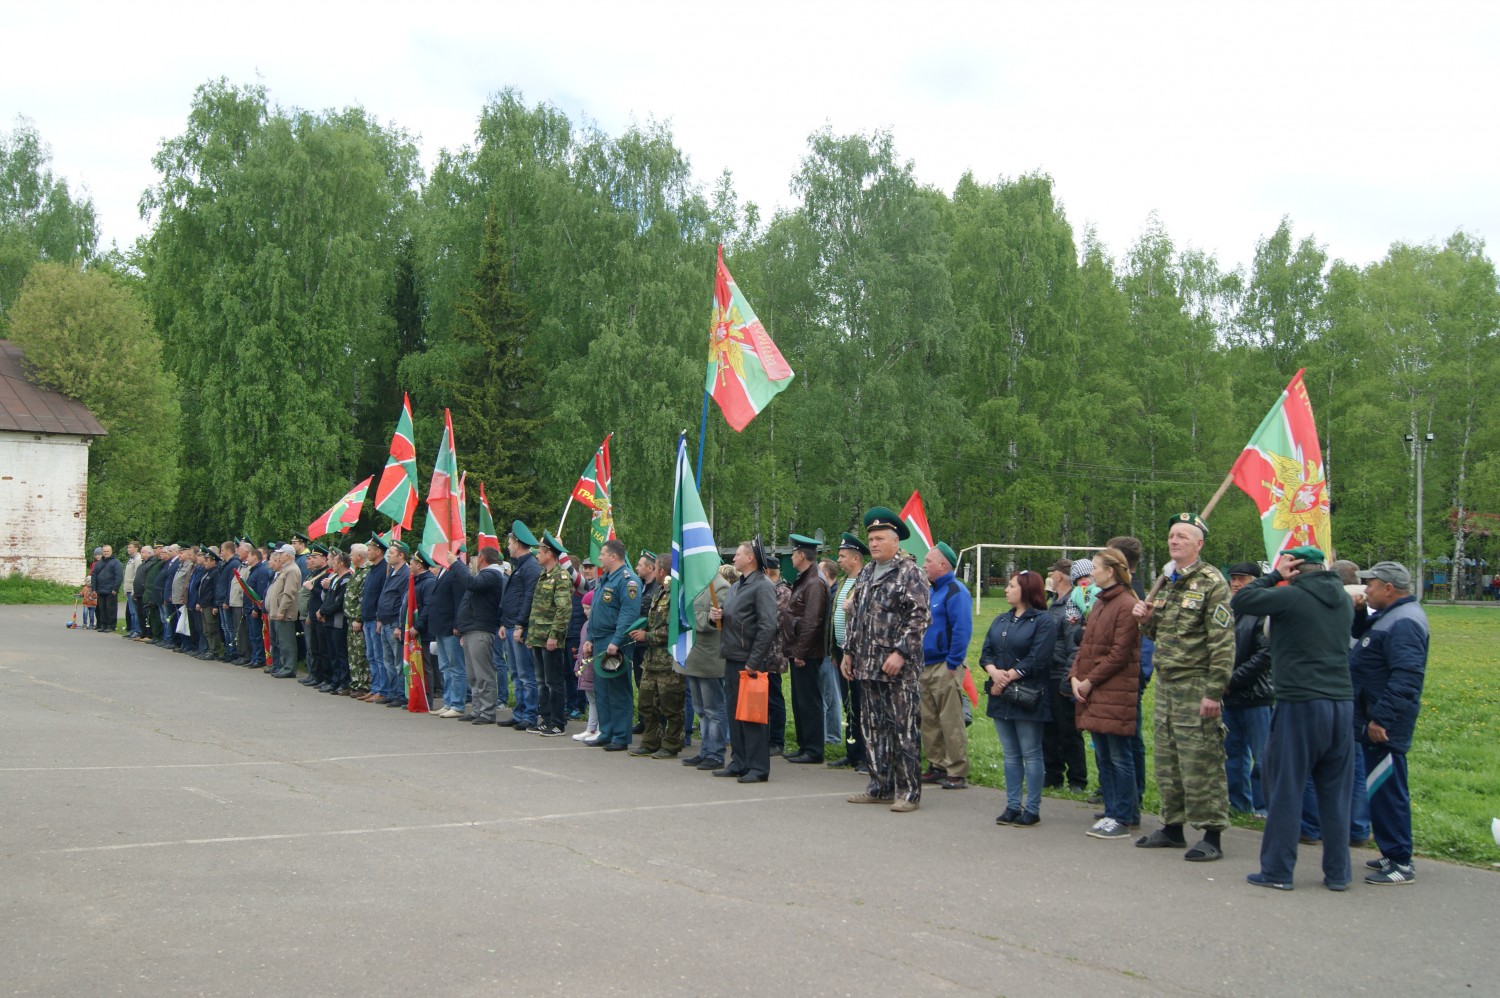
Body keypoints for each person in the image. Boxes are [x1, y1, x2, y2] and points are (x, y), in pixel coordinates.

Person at [1231, 546, 1356, 892]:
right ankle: (1338, 873)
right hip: (1341, 701)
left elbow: (1242, 602)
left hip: (1300, 701)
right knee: (1335, 792)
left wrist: (1274, 576)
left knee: (1285, 786)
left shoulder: (1293, 597)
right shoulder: (1343, 600)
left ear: (1295, 569)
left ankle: (1277, 871)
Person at [1132, 513, 1233, 862]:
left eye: (1183, 537)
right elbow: (1160, 632)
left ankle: (1212, 832)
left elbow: (1222, 643)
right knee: (1168, 758)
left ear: (1199, 544)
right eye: (1172, 535)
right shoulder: (1168, 580)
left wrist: (1213, 691)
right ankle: (1172, 826)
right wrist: (1147, 619)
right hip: (1167, 682)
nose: (1175, 541)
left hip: (1196, 683)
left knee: (1201, 758)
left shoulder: (1211, 582)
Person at [842, 507, 932, 813]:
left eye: (880, 538)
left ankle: (908, 793)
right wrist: (848, 652)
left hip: (897, 668)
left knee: (904, 730)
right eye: (871, 538)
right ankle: (879, 785)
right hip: (867, 664)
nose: (874, 543)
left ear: (895, 541)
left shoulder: (910, 573)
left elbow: (919, 618)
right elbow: (857, 616)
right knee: (873, 727)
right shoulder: (867, 572)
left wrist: (901, 653)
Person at [1351, 560, 1429, 886]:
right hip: (1374, 716)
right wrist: (1358, 614)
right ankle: (1390, 849)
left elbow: (1407, 677)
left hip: (1384, 722)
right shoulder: (1389, 616)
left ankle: (1400, 861)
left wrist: (1381, 718)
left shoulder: (1405, 622)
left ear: (1388, 588)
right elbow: (1363, 641)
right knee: (1379, 788)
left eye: (1370, 583)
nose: (1365, 589)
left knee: (1388, 789)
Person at [1071, 547, 1141, 838]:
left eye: (1096, 567)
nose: (1092, 573)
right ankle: (1112, 810)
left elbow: (1119, 654)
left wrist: (1088, 681)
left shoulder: (1126, 605)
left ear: (1110, 571)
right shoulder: (1099, 603)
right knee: (1103, 755)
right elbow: (1086, 645)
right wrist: (1074, 676)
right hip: (1092, 690)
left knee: (1119, 756)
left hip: (1113, 690)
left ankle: (1123, 816)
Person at [981, 570, 1057, 827]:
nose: (1006, 589)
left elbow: (1038, 658)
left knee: (1031, 752)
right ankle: (1013, 805)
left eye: (1011, 586)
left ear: (1025, 589)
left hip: (1027, 695)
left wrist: (1007, 677)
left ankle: (1032, 808)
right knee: (1011, 753)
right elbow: (986, 652)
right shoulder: (1002, 620)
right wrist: (993, 671)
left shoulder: (1043, 621)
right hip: (1001, 696)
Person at [710, 538, 777, 781]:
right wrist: (716, 616)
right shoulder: (739, 585)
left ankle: (758, 767)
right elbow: (733, 619)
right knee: (735, 714)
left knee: (752, 715)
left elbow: (768, 627)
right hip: (732, 657)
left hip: (749, 660)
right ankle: (739, 761)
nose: (733, 559)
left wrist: (753, 661)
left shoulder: (762, 586)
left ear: (751, 558)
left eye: (738, 555)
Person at [918, 541, 974, 790]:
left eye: (928, 561)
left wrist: (953, 663)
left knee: (950, 719)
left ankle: (957, 770)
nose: (924, 565)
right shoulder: (932, 591)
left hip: (945, 665)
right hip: (926, 664)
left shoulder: (955, 591)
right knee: (928, 719)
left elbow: (962, 629)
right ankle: (937, 765)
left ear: (943, 564)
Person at [1223, 562, 1273, 816]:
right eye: (1233, 578)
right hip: (1228, 697)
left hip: (1257, 695)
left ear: (1256, 581)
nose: (1236, 583)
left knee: (1263, 756)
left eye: (1242, 579)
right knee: (1232, 754)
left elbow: (1265, 655)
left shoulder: (1263, 611)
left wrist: (1232, 680)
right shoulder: (1227, 611)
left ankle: (1263, 806)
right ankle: (1237, 802)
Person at [583, 539, 642, 753]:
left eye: (602, 554)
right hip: (599, 639)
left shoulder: (628, 581)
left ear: (613, 557)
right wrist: (589, 637)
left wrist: (616, 642)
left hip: (614, 641)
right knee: (602, 690)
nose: (599, 558)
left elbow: (628, 615)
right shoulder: (606, 578)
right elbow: (597, 610)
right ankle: (606, 732)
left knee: (617, 690)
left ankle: (620, 735)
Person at [630, 552, 685, 757]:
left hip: (668, 660)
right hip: (651, 659)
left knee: (670, 705)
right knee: (646, 702)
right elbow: (653, 621)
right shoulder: (660, 591)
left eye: (656, 567)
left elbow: (674, 630)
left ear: (661, 571)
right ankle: (650, 741)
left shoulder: (677, 594)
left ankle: (671, 744)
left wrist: (647, 636)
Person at [782, 534, 831, 764]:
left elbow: (812, 621)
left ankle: (813, 749)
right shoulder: (805, 579)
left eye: (794, 553)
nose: (792, 556)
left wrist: (801, 652)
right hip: (799, 650)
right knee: (800, 701)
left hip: (808, 653)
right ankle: (804, 746)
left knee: (809, 701)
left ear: (801, 555)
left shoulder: (814, 582)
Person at [681, 564, 734, 771]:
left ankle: (715, 753)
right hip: (694, 657)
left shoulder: (721, 587)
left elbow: (716, 621)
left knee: (714, 709)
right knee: (701, 709)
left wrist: (697, 619)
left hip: (710, 658)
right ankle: (705, 750)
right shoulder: (696, 584)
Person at [1044, 557, 1089, 793]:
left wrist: (1067, 678)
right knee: (1049, 728)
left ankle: (1077, 779)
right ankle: (1053, 775)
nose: (1050, 576)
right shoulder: (1055, 602)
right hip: (1049, 672)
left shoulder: (1073, 603)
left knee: (1068, 730)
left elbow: (1075, 646)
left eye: (1052, 573)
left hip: (1062, 671)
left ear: (1059, 575)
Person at [827, 533, 869, 772]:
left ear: (855, 558)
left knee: (861, 704)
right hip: (843, 652)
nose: (839, 560)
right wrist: (835, 650)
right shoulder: (844, 582)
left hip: (860, 653)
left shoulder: (864, 581)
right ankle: (852, 752)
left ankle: (865, 755)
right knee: (849, 704)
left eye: (843, 556)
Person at [529, 532, 575, 736]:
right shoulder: (543, 575)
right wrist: (531, 636)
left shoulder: (561, 576)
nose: (537, 555)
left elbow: (563, 609)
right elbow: (537, 608)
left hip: (550, 638)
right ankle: (546, 718)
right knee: (541, 681)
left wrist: (554, 635)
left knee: (553, 682)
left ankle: (557, 722)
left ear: (549, 553)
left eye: (539, 552)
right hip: (538, 636)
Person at [498, 522, 541, 730]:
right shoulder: (520, 566)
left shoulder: (530, 566)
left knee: (525, 674)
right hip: (510, 625)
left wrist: (520, 624)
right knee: (515, 673)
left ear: (517, 543)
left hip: (519, 627)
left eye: (509, 542)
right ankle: (519, 712)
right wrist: (503, 623)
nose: (507, 545)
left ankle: (530, 714)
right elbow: (510, 597)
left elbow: (528, 597)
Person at [458, 548, 507, 724]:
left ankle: (487, 711)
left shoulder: (491, 575)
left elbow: (470, 583)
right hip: (472, 629)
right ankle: (478, 709)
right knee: (473, 674)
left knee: (483, 673)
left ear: (482, 558)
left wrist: (455, 564)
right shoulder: (485, 575)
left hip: (481, 629)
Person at [429, 545, 470, 718]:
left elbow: (459, 600)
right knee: (445, 666)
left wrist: (457, 624)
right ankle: (448, 702)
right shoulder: (443, 571)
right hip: (440, 626)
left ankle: (458, 704)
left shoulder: (456, 572)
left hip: (450, 627)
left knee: (456, 667)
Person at [376, 541, 412, 707]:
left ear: (401, 555)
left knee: (398, 662)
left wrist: (399, 624)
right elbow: (384, 596)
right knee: (387, 660)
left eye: (391, 552)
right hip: (384, 622)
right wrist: (379, 619)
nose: (388, 555)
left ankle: (401, 694)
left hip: (393, 623)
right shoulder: (391, 571)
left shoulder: (405, 574)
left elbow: (404, 602)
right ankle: (393, 691)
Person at [356, 536, 388, 700]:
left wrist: (378, 618)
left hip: (375, 619)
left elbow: (382, 596)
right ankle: (375, 688)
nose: (367, 552)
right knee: (371, 656)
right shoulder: (372, 569)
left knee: (379, 656)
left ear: (378, 551)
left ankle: (382, 690)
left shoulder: (384, 569)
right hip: (367, 618)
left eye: (370, 549)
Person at [266, 545, 302, 678]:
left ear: (288, 555)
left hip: (285, 613)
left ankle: (289, 668)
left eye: (281, 554)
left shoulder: (292, 570)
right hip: (276, 612)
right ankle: (282, 665)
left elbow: (289, 593)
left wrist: (281, 610)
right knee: (279, 641)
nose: (279, 556)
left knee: (286, 642)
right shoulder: (284, 569)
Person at [319, 549, 352, 694]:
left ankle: (343, 682)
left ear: (341, 563)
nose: (332, 563)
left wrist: (324, 611)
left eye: (335, 561)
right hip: (329, 620)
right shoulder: (335, 578)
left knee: (340, 653)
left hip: (338, 621)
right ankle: (335, 680)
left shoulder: (346, 579)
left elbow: (339, 603)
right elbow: (329, 599)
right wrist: (321, 610)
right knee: (332, 652)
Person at [92, 544, 122, 633]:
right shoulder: (99, 563)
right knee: (102, 608)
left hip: (111, 590)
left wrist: (115, 589)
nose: (106, 553)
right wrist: (93, 589)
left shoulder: (116, 562)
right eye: (104, 551)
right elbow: (94, 576)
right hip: (100, 590)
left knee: (110, 608)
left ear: (111, 551)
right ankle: (103, 625)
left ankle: (111, 626)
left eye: (107, 551)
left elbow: (119, 576)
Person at [122, 542, 142, 638]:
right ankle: (132, 630)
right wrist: (125, 589)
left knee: (135, 611)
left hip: (133, 588)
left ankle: (137, 630)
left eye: (130, 547)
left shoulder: (138, 559)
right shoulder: (131, 559)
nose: (128, 549)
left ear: (136, 549)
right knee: (131, 612)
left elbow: (136, 575)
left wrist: (134, 590)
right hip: (129, 588)